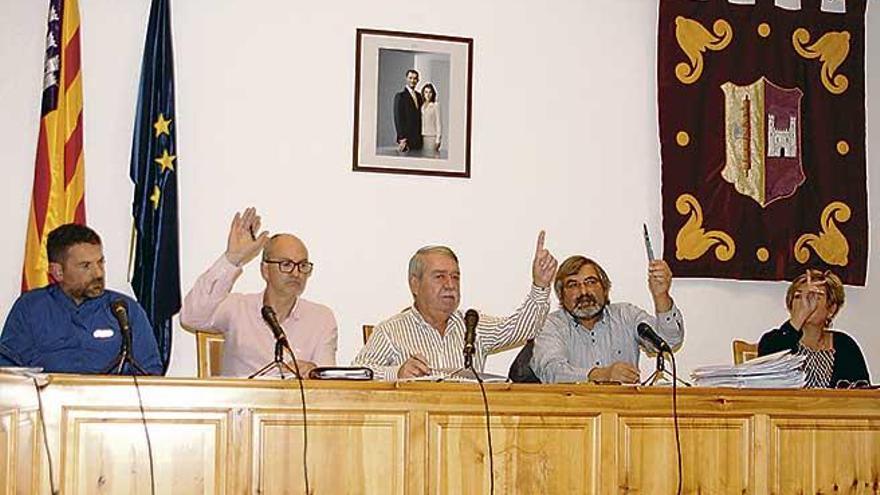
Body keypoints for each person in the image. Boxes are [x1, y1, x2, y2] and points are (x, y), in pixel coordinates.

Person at [353, 232, 558, 380]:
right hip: (416, 431)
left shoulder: (473, 325)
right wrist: (396, 372)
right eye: (440, 276)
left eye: (455, 277)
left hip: (467, 431)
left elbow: (522, 329)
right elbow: (359, 372)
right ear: (415, 284)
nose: (450, 285)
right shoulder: (391, 330)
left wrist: (540, 285)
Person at [180, 208, 337, 377]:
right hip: (241, 402)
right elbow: (191, 317)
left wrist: (314, 372)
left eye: (303, 266)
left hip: (297, 403)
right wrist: (231, 259)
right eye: (286, 264)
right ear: (265, 270)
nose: (296, 273)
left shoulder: (321, 318)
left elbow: (327, 385)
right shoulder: (236, 308)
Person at [0, 224, 163, 374]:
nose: (98, 273)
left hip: (109, 403)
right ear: (58, 272)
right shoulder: (30, 308)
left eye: (100, 262)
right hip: (48, 402)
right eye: (86, 266)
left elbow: (150, 372)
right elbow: (7, 372)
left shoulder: (123, 310)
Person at [530, 255, 684, 384]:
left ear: (605, 288)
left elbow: (669, 342)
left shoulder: (626, 315)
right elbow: (551, 372)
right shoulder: (550, 325)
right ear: (561, 295)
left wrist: (661, 296)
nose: (584, 291)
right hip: (575, 414)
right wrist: (602, 374)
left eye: (591, 282)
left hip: (623, 413)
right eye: (573, 285)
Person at [758, 269, 869, 388]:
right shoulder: (774, 341)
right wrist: (798, 319)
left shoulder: (845, 345)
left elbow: (863, 395)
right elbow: (766, 380)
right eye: (798, 296)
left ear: (831, 309)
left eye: (815, 297)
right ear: (790, 305)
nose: (805, 303)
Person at [393, 69, 423, 153]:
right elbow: (398, 119)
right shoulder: (400, 96)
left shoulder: (419, 96)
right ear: (406, 79)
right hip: (406, 139)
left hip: (418, 138)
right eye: (410, 78)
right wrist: (402, 138)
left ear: (418, 80)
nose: (412, 81)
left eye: (415, 78)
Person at [420, 83, 442, 155]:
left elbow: (438, 123)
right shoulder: (422, 106)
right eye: (426, 92)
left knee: (430, 156)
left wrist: (438, 139)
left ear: (433, 93)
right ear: (423, 93)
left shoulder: (435, 105)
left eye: (430, 92)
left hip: (431, 136)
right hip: (422, 136)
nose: (428, 94)